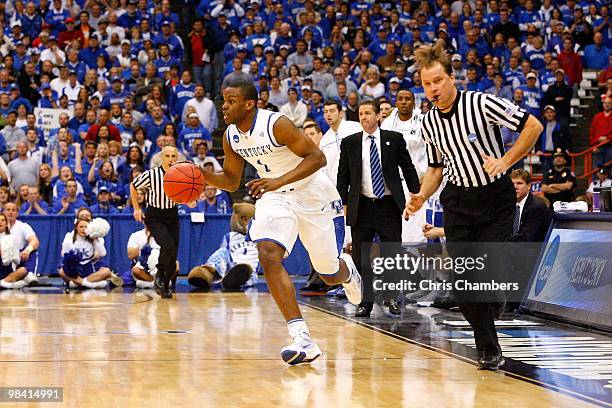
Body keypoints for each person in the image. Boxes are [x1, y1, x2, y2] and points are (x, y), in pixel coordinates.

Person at [198, 81, 363, 365]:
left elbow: (317, 158)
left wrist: (276, 181)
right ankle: (302, 337)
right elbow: (231, 180)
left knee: (328, 273)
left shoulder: (277, 124)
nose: (224, 106)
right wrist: (199, 175)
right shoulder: (231, 136)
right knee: (268, 252)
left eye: (230, 100)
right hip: (275, 196)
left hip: (313, 194)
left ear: (249, 104)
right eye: (223, 100)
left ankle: (347, 271)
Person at [405, 41, 543, 371]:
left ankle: (496, 294)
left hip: (495, 196)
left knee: (489, 267)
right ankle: (488, 348)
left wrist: (506, 160)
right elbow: (437, 168)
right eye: (426, 84)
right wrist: (422, 195)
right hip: (459, 200)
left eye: (438, 80)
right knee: (463, 280)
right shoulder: (428, 123)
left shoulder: (480, 103)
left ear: (452, 78)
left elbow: (532, 126)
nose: (433, 89)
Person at [337, 100, 420, 317]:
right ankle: (366, 301)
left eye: (367, 113)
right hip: (362, 205)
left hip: (389, 204)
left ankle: (392, 297)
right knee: (361, 256)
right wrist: (343, 203)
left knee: (391, 252)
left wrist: (416, 194)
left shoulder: (394, 139)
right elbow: (342, 176)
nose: (363, 117)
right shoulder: (350, 142)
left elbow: (408, 168)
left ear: (378, 116)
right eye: (361, 114)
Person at [130, 146, 180, 299]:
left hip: (172, 214)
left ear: (177, 158)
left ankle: (164, 285)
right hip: (155, 215)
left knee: (173, 252)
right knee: (168, 244)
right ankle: (159, 273)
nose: (170, 159)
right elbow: (133, 185)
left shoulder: (180, 175)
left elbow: (185, 193)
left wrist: (190, 201)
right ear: (161, 157)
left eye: (173, 156)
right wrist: (137, 208)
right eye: (167, 156)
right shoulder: (152, 175)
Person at [381, 90, 428, 244]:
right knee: (397, 223)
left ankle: (419, 261)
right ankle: (399, 261)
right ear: (395, 102)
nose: (403, 102)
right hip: (394, 182)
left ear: (414, 102)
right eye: (400, 99)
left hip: (417, 182)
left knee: (417, 227)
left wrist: (426, 178)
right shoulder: (387, 123)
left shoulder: (423, 121)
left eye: (408, 99)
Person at [58, 218, 111, 289]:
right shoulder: (69, 237)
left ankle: (77, 283)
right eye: (81, 227)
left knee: (106, 271)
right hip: (75, 267)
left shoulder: (93, 239)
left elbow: (103, 253)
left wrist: (95, 240)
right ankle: (90, 284)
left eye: (86, 227)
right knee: (61, 272)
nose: (83, 229)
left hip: (89, 265)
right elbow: (63, 254)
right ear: (76, 228)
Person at [319, 100, 362, 185]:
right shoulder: (324, 140)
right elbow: (324, 168)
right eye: (325, 112)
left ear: (341, 113)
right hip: (337, 187)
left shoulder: (356, 128)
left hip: (358, 184)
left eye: (332, 111)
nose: (328, 114)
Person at [510, 170, 552, 242]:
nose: (515, 187)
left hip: (534, 250)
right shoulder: (508, 205)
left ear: (529, 186)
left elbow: (526, 239)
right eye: (512, 184)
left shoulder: (536, 208)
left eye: (519, 183)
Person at [0, 213, 27, 289]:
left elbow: (17, 261)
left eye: (2, 220)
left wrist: (8, 255)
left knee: (23, 270)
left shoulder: (12, 238)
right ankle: (6, 284)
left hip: (6, 270)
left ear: (6, 224)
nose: (0, 222)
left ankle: (4, 282)